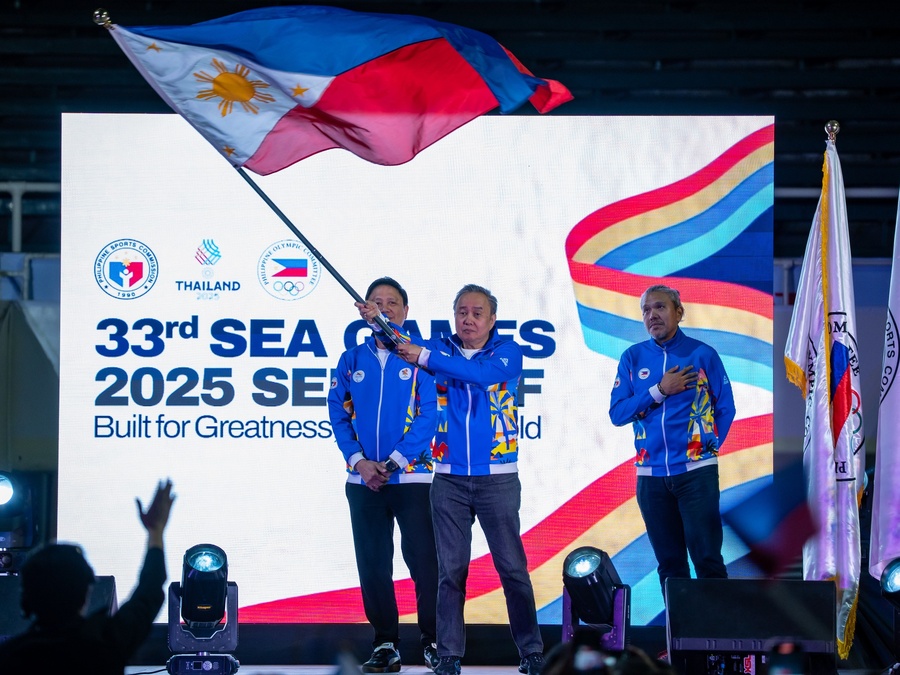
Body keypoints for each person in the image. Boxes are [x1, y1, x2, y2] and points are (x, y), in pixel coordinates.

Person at [358, 283, 544, 675]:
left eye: (477, 313)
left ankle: (531, 651)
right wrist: (378, 320)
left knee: (512, 569)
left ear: (492, 320)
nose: (468, 319)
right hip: (448, 480)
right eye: (462, 312)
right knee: (450, 573)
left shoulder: (507, 352)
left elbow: (479, 375)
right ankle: (448, 655)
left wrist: (425, 356)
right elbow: (396, 341)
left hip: (497, 479)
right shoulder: (439, 349)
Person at [329, 277, 439, 673]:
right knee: (373, 565)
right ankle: (385, 644)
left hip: (412, 479)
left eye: (392, 302)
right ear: (364, 311)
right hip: (363, 482)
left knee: (425, 564)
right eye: (376, 302)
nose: (384, 308)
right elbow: (338, 413)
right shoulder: (351, 360)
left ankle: (434, 642)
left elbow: (429, 415)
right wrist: (359, 461)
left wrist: (393, 462)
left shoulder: (420, 358)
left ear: (405, 311)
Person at [609, 284, 735, 601]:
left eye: (660, 307)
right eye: (646, 310)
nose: (652, 315)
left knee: (707, 560)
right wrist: (660, 390)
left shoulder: (702, 355)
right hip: (651, 478)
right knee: (670, 566)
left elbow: (725, 408)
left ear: (679, 312)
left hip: (696, 474)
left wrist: (705, 450)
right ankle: (678, 633)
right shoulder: (633, 358)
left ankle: (716, 632)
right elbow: (618, 413)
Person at [0, 479, 175, 675]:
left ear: (25, 599)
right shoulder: (106, 643)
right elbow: (150, 590)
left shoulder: (9, 657)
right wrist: (155, 532)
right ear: (86, 592)